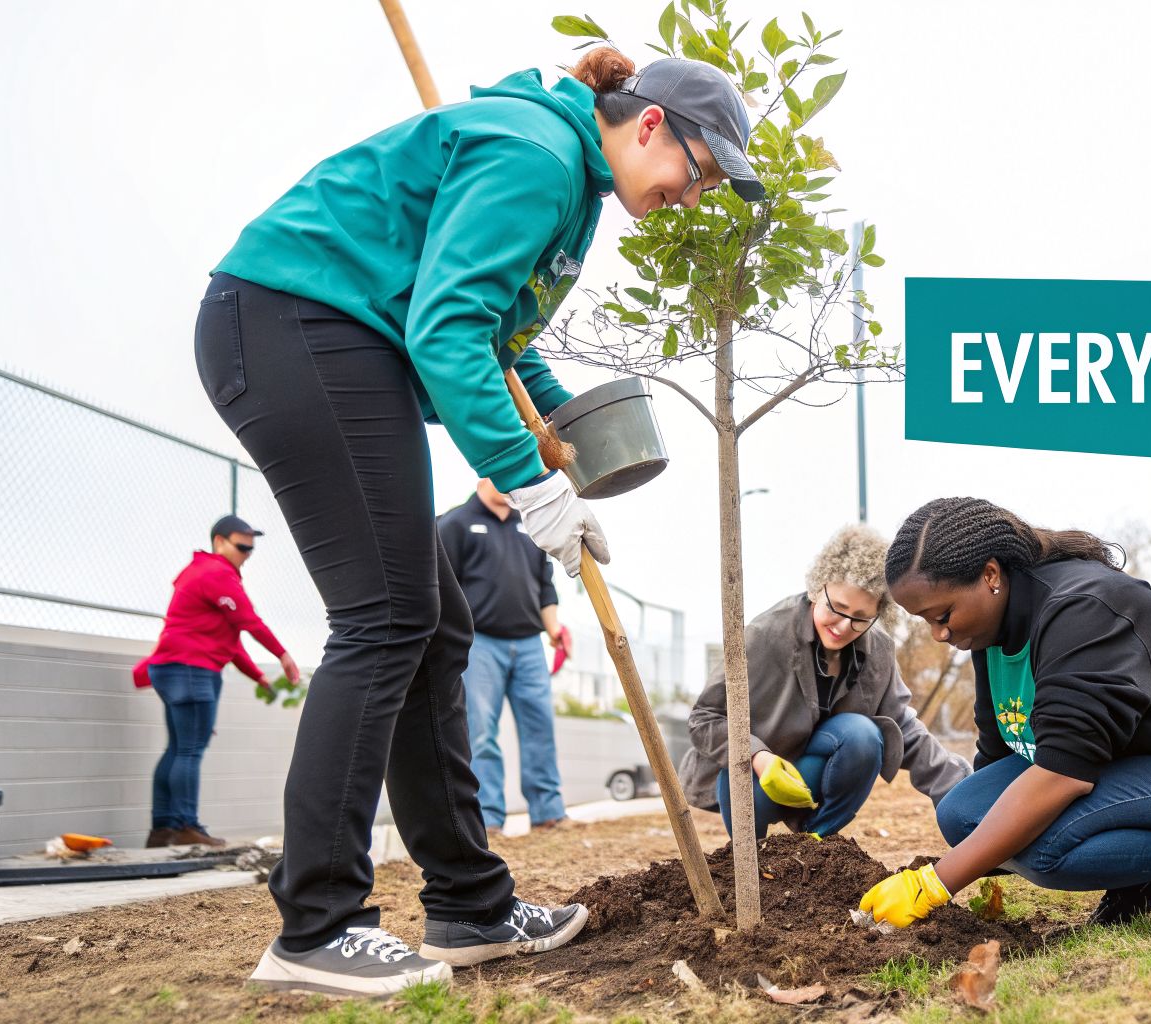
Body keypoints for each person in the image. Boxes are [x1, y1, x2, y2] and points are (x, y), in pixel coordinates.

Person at [197, 42, 764, 995]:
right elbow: (447, 329)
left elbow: (500, 344)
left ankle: (469, 905)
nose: (693, 196)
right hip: (298, 323)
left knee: (430, 624)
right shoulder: (537, 154)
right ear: (653, 123)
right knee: (384, 620)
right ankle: (316, 925)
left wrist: (568, 449)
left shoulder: (571, 189)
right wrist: (525, 484)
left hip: (333, 340)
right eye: (697, 172)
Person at [862, 498, 1151, 929]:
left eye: (942, 614)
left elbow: (1064, 773)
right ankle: (1139, 872)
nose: (938, 634)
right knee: (963, 813)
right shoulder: (989, 631)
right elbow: (1001, 757)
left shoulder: (1081, 608)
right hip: (1136, 762)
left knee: (1047, 850)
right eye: (926, 621)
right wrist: (981, 851)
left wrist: (937, 883)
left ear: (990, 575)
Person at [680, 525, 969, 840]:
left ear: (878, 614)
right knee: (745, 794)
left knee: (864, 736)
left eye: (860, 617)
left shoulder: (879, 650)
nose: (844, 626)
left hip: (812, 772)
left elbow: (902, 726)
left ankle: (815, 842)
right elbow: (704, 718)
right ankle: (753, 858)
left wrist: (961, 790)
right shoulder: (764, 636)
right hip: (754, 780)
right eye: (837, 608)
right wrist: (757, 756)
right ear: (818, 589)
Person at [134, 515, 301, 849]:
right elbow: (248, 621)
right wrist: (282, 654)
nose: (246, 554)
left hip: (170, 667)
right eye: (241, 547)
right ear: (219, 541)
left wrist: (257, 676)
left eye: (251, 549)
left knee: (178, 748)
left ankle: (162, 828)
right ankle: (185, 825)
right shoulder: (215, 573)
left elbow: (229, 641)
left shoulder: (199, 573)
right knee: (190, 751)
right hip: (191, 670)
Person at [438, 480, 577, 835]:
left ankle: (548, 812)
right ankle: (488, 819)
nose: (508, 480)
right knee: (482, 733)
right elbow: (440, 589)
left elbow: (545, 586)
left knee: (540, 729)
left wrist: (555, 630)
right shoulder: (454, 524)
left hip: (530, 644)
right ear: (482, 472)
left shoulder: (529, 525)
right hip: (479, 644)